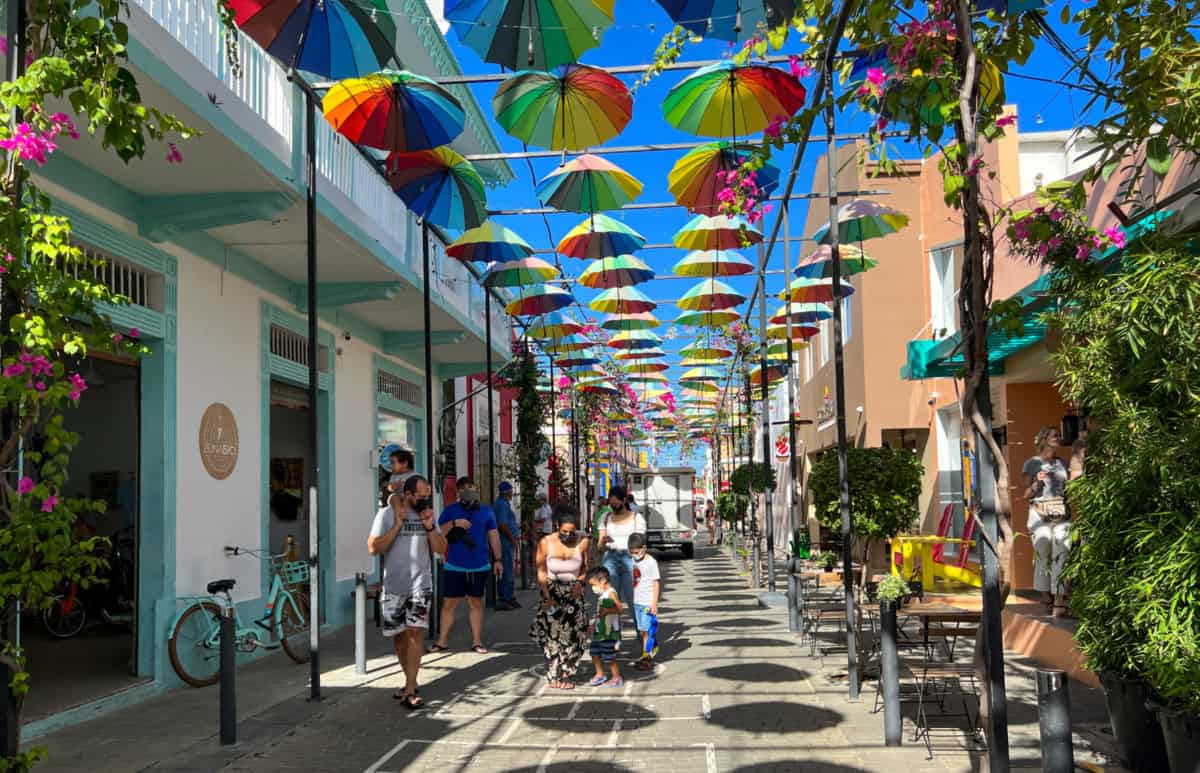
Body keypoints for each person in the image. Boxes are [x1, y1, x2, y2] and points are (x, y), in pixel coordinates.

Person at [367, 475, 447, 709]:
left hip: (420, 585)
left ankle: (411, 688)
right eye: (420, 496)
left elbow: (442, 549)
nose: (424, 499)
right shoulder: (387, 514)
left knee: (415, 633)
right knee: (399, 637)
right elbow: (373, 548)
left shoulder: (429, 515)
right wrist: (397, 526)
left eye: (427, 495)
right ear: (408, 494)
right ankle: (408, 680)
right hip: (393, 586)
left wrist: (430, 526)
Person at [429, 476, 502, 655]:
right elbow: (439, 534)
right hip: (454, 565)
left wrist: (498, 559)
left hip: (479, 564)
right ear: (459, 491)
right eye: (466, 488)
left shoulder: (486, 511)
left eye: (473, 487)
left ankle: (477, 641)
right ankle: (442, 641)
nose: (470, 490)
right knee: (449, 604)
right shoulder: (450, 511)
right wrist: (455, 523)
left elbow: (493, 535)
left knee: (476, 602)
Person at [530, 504, 591, 690]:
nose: (569, 535)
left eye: (572, 532)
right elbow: (540, 571)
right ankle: (554, 674)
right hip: (552, 592)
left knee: (576, 634)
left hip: (574, 593)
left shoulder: (583, 541)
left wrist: (580, 583)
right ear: (557, 526)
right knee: (552, 636)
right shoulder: (545, 543)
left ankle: (567, 670)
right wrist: (546, 595)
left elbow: (585, 568)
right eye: (565, 531)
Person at [1022, 426, 1071, 617]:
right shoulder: (1031, 464)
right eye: (1054, 436)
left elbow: (1068, 489)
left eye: (1059, 435)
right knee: (1043, 552)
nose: (1058, 438)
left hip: (1060, 513)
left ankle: (1059, 596)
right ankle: (1046, 596)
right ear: (1043, 439)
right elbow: (1025, 494)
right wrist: (1037, 482)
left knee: (1062, 550)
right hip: (1039, 514)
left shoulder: (1063, 464)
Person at [597, 485, 646, 641]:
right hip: (610, 557)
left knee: (633, 599)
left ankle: (642, 635)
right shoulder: (605, 518)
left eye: (616, 503)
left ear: (624, 500)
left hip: (630, 559)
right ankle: (614, 636)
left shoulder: (636, 518)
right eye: (611, 504)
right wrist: (603, 542)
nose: (613, 506)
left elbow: (640, 542)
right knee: (611, 599)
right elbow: (599, 546)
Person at [585, 566, 622, 688]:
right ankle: (600, 674)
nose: (593, 588)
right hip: (599, 630)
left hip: (608, 631)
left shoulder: (611, 593)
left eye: (593, 585)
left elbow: (620, 609)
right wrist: (593, 625)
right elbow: (599, 613)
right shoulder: (602, 595)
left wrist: (608, 610)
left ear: (603, 580)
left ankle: (616, 677)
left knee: (608, 656)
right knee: (594, 652)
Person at [629, 532, 661, 671]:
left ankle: (647, 658)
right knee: (642, 631)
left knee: (647, 631)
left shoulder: (651, 562)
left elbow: (656, 583)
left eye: (636, 552)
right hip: (637, 602)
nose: (634, 555)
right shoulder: (632, 561)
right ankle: (650, 649)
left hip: (647, 603)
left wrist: (654, 603)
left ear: (644, 548)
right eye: (632, 552)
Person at [493, 481, 521, 609]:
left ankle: (508, 596)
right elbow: (502, 524)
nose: (512, 492)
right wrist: (512, 538)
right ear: (506, 491)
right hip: (505, 542)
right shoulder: (502, 505)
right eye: (510, 490)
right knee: (507, 570)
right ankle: (505, 597)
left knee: (507, 569)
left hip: (506, 542)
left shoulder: (503, 504)